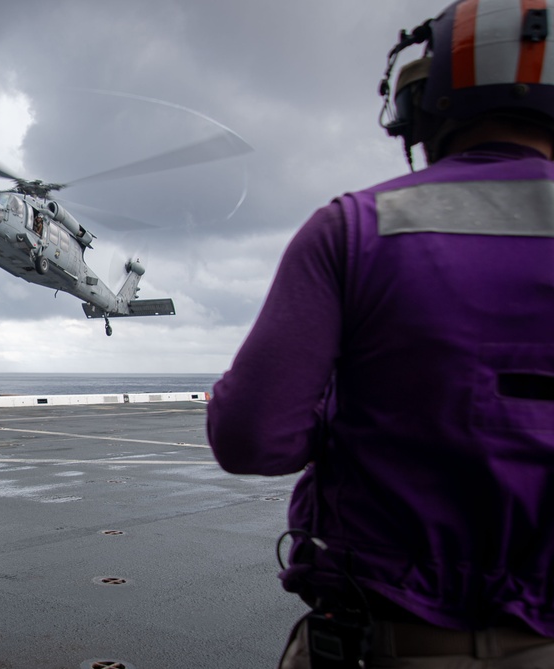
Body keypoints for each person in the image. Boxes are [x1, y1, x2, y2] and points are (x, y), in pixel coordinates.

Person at [206, 1, 554, 667]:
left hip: (389, 643)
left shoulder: (355, 229)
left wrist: (349, 422)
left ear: (424, 104)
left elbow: (249, 436)